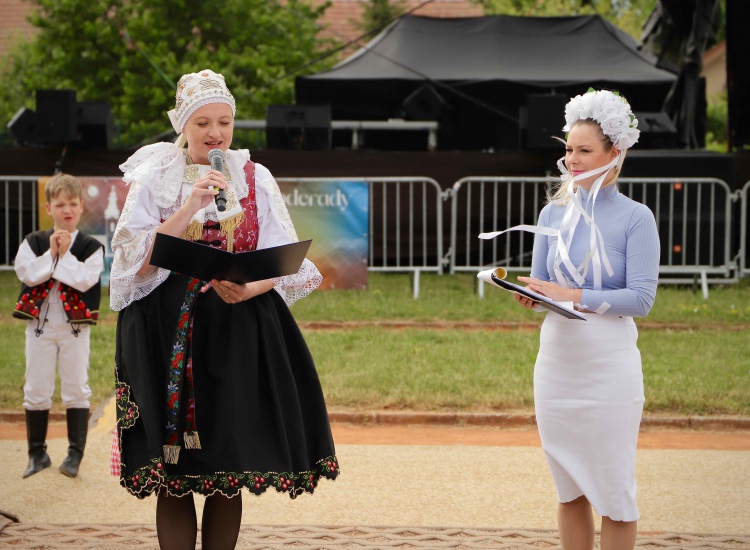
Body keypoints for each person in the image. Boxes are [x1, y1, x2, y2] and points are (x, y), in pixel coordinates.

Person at [109, 69, 339, 550]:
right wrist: (189, 207)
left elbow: (286, 258)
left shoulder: (254, 176)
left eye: (224, 122)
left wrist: (253, 287)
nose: (215, 133)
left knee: (226, 466)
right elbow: (132, 263)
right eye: (203, 123)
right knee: (174, 470)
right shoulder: (154, 176)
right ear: (183, 126)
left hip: (236, 327)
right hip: (167, 329)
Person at [497, 89, 659, 549]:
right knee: (568, 490)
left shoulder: (637, 218)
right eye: (569, 149)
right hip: (557, 364)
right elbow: (545, 284)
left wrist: (570, 295)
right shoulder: (552, 213)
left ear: (615, 153)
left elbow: (641, 299)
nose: (572, 159)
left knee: (614, 492)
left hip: (609, 366)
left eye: (584, 150)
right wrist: (532, 295)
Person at [13, 173, 105, 479]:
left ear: (81, 207)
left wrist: (65, 255)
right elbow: (27, 274)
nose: (67, 210)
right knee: (36, 387)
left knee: (76, 387)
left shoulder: (91, 247)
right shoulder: (34, 242)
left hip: (74, 329)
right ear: (48, 208)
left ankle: (74, 454)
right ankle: (37, 454)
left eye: (73, 204)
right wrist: (51, 253)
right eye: (60, 204)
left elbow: (84, 280)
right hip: (39, 326)